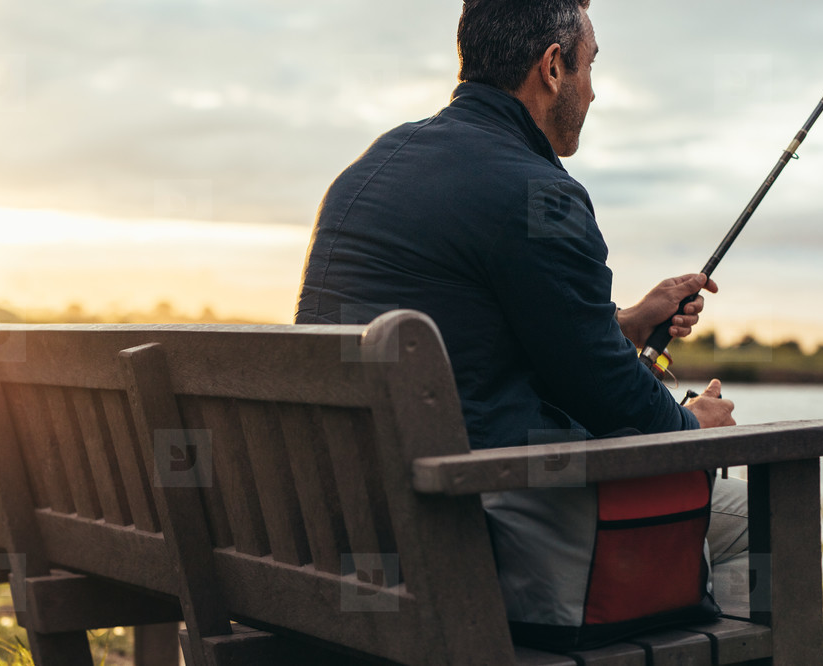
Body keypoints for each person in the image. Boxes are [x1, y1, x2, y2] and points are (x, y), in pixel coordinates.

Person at [295, 0, 747, 650]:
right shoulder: (541, 193)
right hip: (467, 533)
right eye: (590, 65)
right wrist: (691, 429)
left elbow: (506, 342)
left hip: (339, 529)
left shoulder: (372, 169)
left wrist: (628, 322)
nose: (595, 90)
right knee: (759, 522)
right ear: (554, 67)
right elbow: (606, 395)